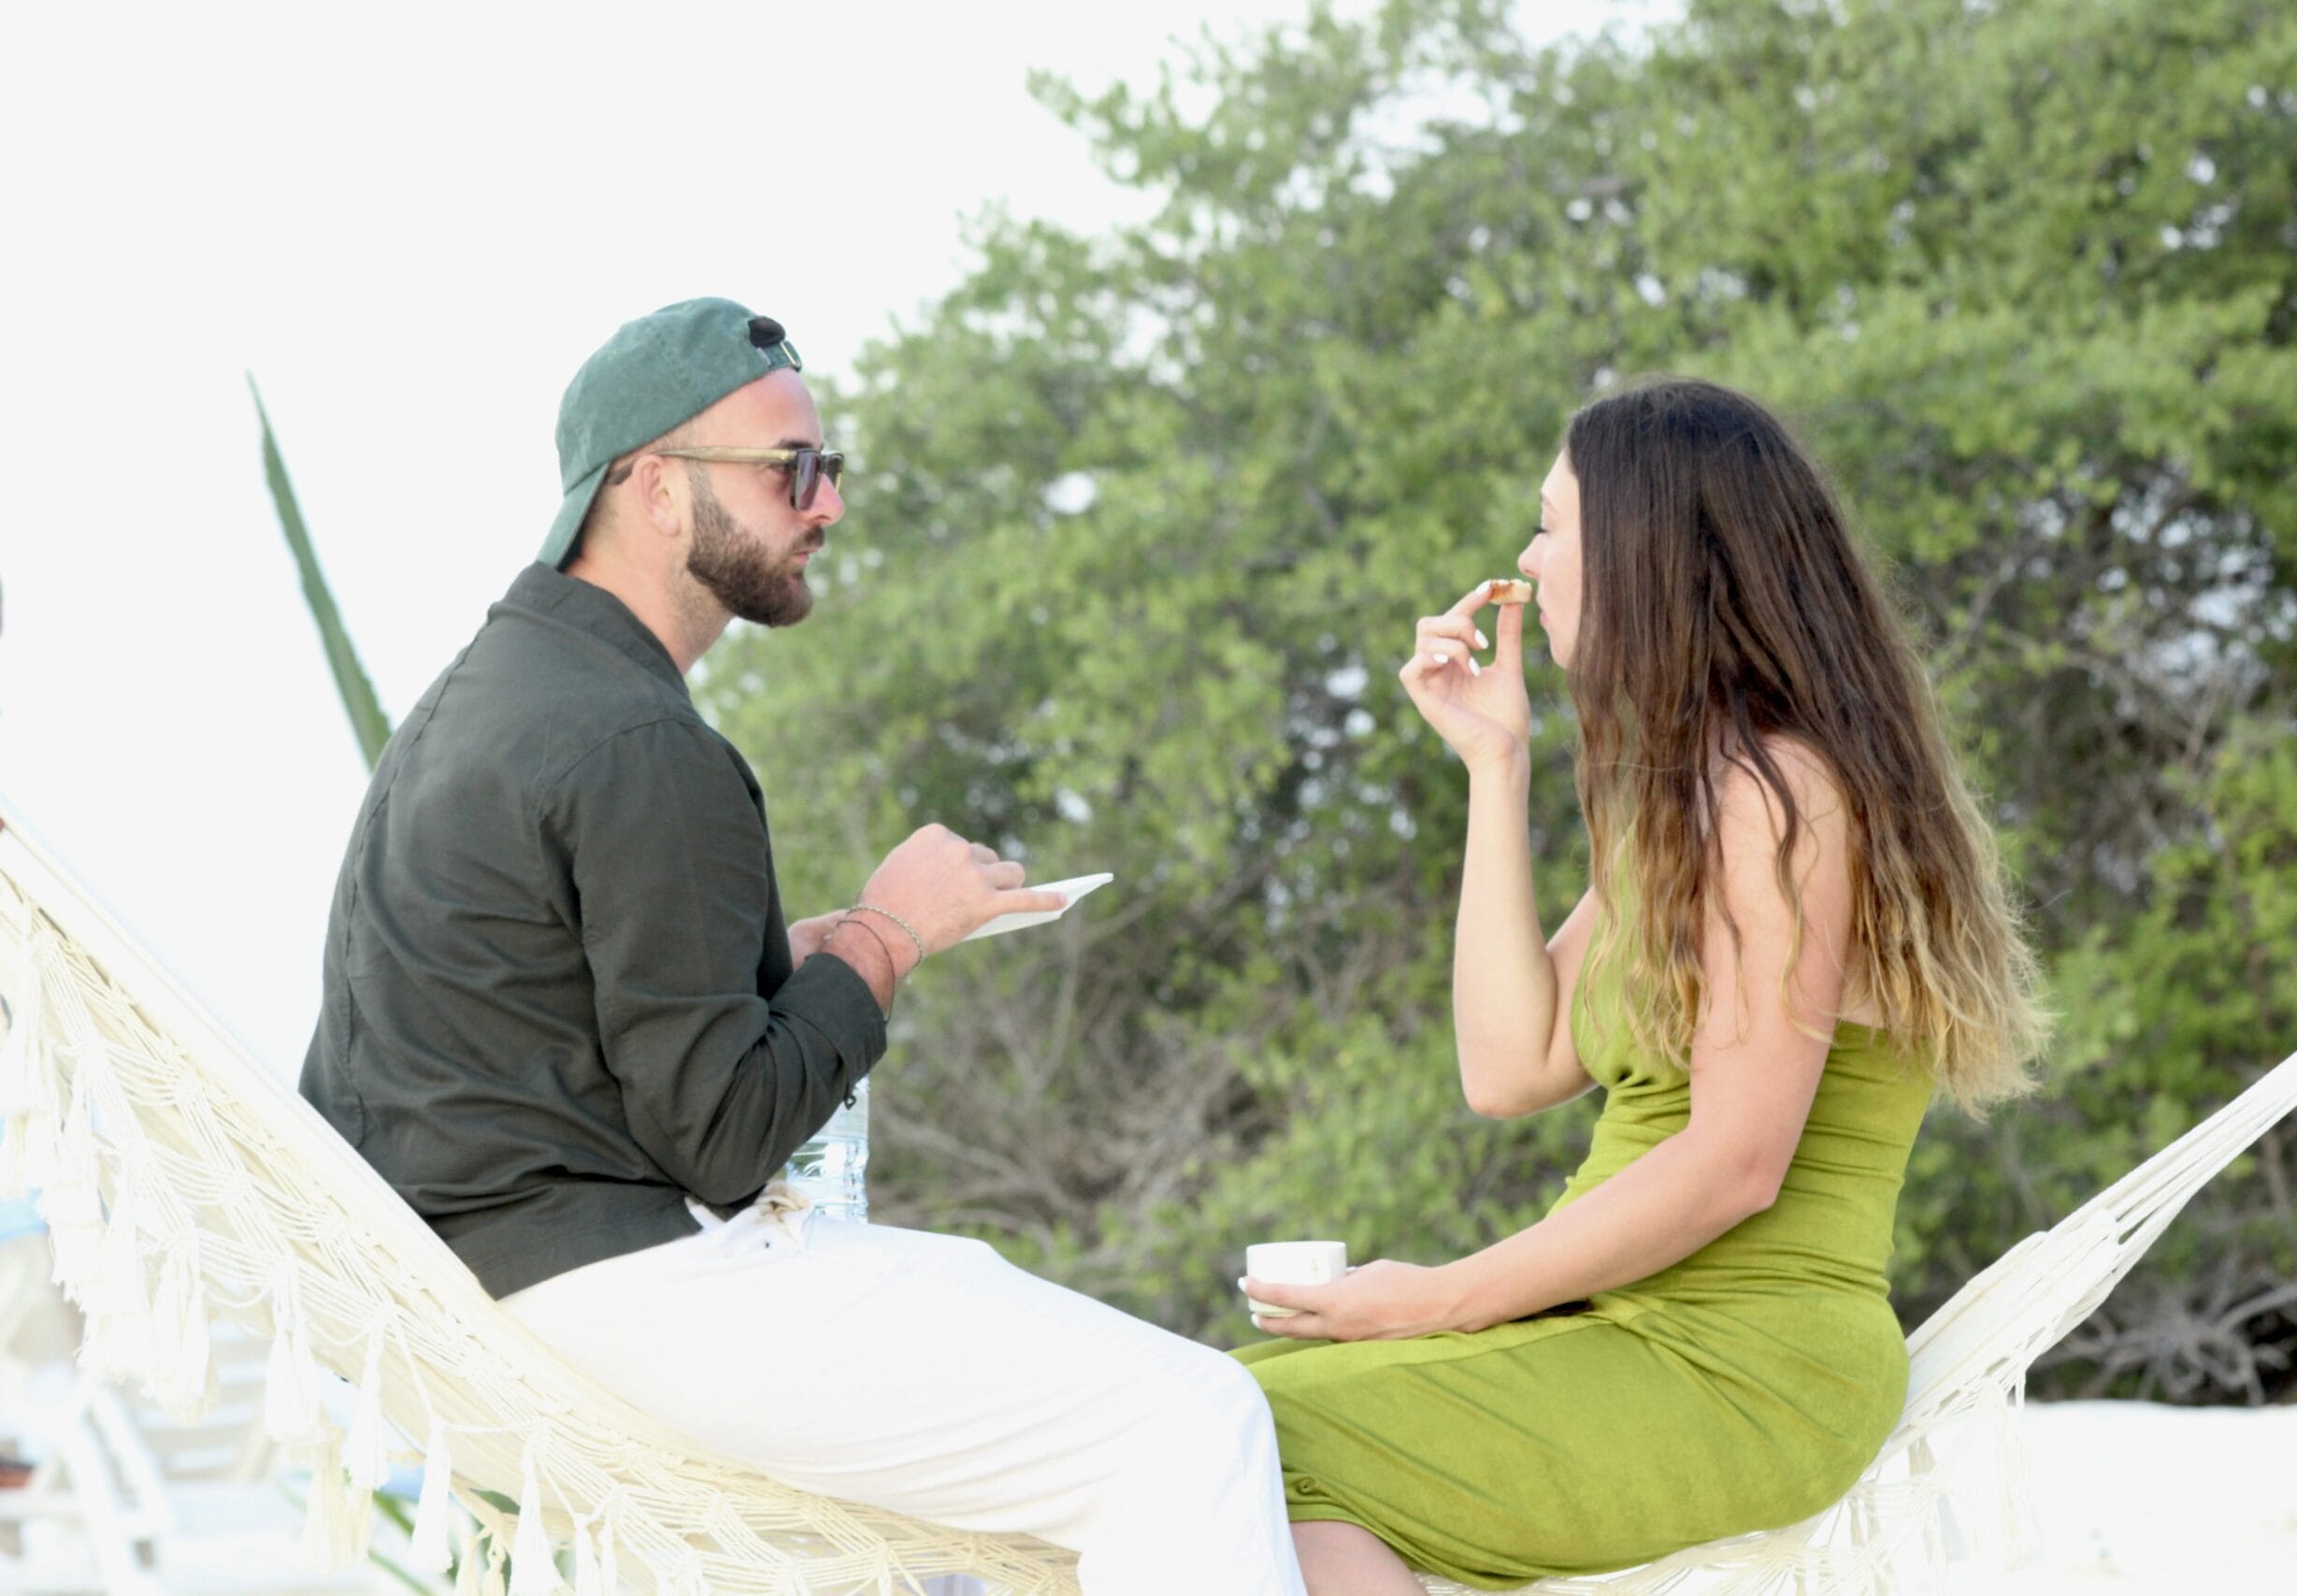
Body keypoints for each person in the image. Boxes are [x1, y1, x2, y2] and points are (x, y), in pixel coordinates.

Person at [296, 298, 1305, 1596]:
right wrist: (887, 934)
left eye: (829, 470)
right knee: (1191, 1419)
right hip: (615, 1297)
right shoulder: (641, 746)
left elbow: (543, 1014)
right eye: (793, 471)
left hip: (482, 1297)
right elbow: (722, 1135)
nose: (826, 505)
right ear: (654, 488)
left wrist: (785, 957)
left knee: (1024, 1332)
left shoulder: (488, 700)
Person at [1234, 376, 2049, 1593]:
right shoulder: (1690, 802)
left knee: (1223, 1433)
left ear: (1643, 547)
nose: (1527, 554)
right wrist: (1492, 765)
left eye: (1553, 523)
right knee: (1206, 1420)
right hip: (1618, 1331)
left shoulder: (1777, 798)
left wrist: (1435, 1303)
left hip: (1741, 1364)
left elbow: (1736, 1162)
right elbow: (1510, 1069)